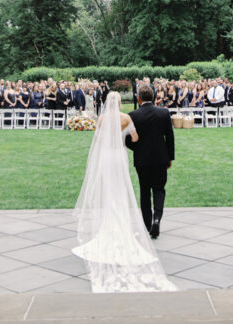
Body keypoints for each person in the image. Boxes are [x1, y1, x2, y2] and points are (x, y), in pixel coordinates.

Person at [72, 91, 175, 293]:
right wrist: (125, 137)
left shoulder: (101, 119)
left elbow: (99, 141)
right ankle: (139, 223)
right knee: (123, 189)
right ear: (119, 102)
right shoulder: (126, 118)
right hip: (119, 157)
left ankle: (111, 224)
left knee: (112, 191)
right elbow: (135, 138)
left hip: (107, 158)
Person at [126, 84, 175, 239]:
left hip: (142, 160)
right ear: (153, 97)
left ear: (138, 98)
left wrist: (138, 149)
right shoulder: (164, 112)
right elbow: (170, 137)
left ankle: (147, 225)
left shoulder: (133, 115)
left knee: (145, 191)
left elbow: (128, 140)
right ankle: (157, 219)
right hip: (161, 158)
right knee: (159, 189)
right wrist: (170, 157)